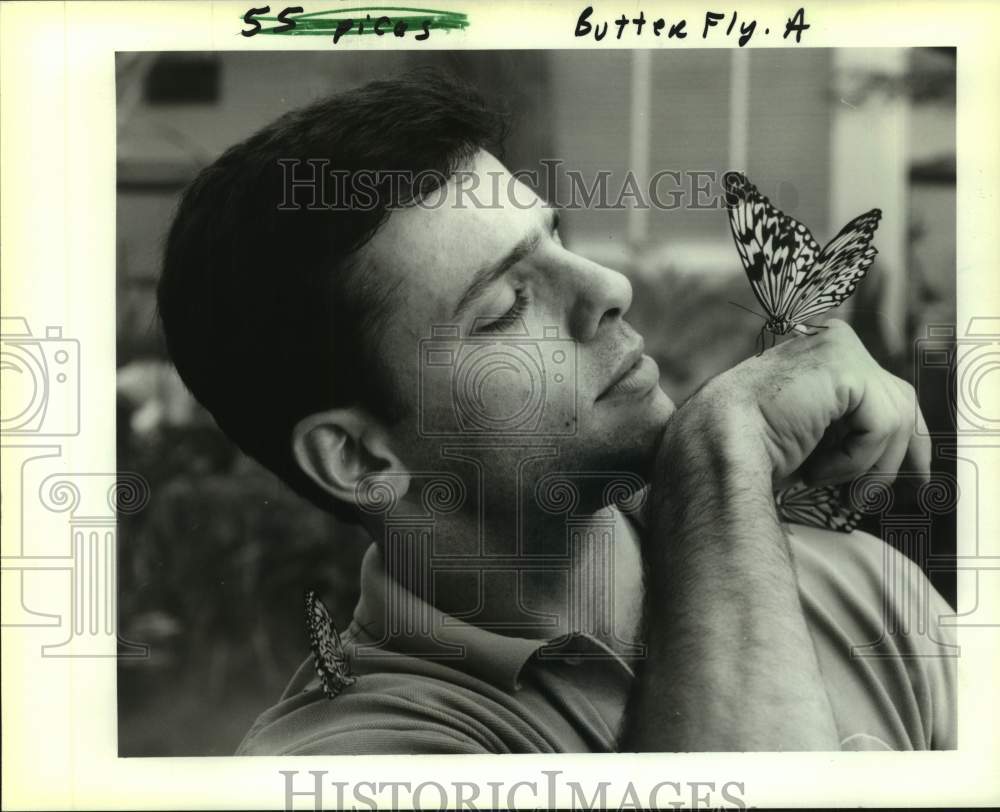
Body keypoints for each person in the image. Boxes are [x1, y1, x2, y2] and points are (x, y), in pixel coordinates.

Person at [156, 69, 956, 753]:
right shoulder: (359, 753)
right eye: (507, 306)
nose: (609, 289)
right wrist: (717, 461)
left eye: (558, 236)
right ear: (361, 459)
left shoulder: (864, 589)